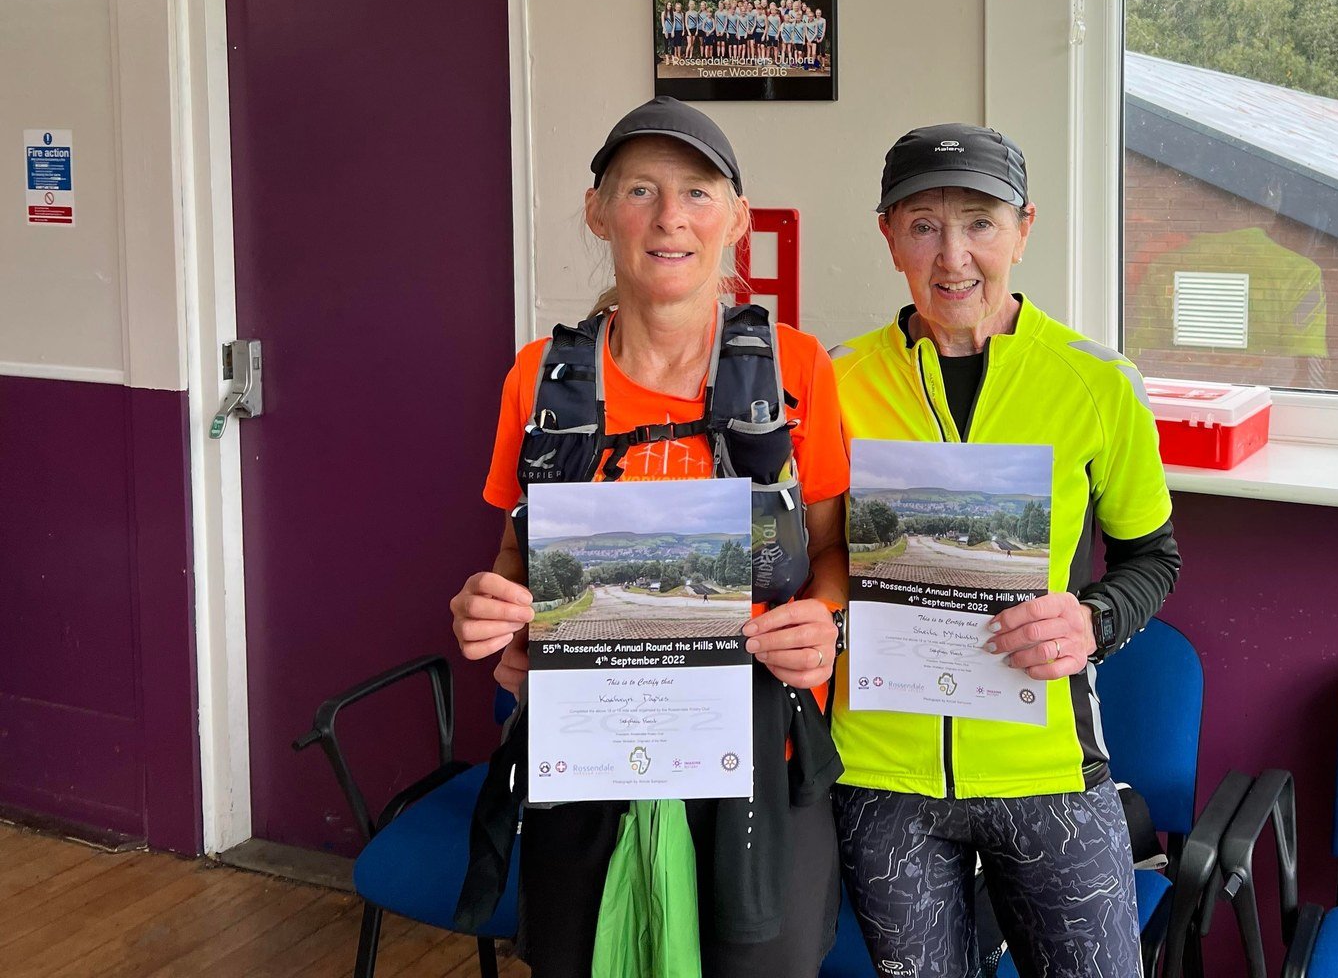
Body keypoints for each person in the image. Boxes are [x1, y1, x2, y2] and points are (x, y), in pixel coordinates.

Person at [449, 96, 850, 978]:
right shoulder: (539, 378)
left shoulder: (799, 371)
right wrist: (493, 615)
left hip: (759, 760)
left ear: (736, 219)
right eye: (640, 190)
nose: (670, 217)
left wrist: (826, 620)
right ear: (599, 211)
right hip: (587, 753)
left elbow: (832, 551)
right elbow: (516, 559)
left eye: (698, 193)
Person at [831, 122, 1183, 977]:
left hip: (1047, 769)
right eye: (923, 224)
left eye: (980, 223)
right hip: (882, 775)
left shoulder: (1097, 383)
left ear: (1024, 229)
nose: (953, 256)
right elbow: (808, 559)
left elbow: (1153, 560)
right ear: (888, 237)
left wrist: (1092, 620)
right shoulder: (833, 381)